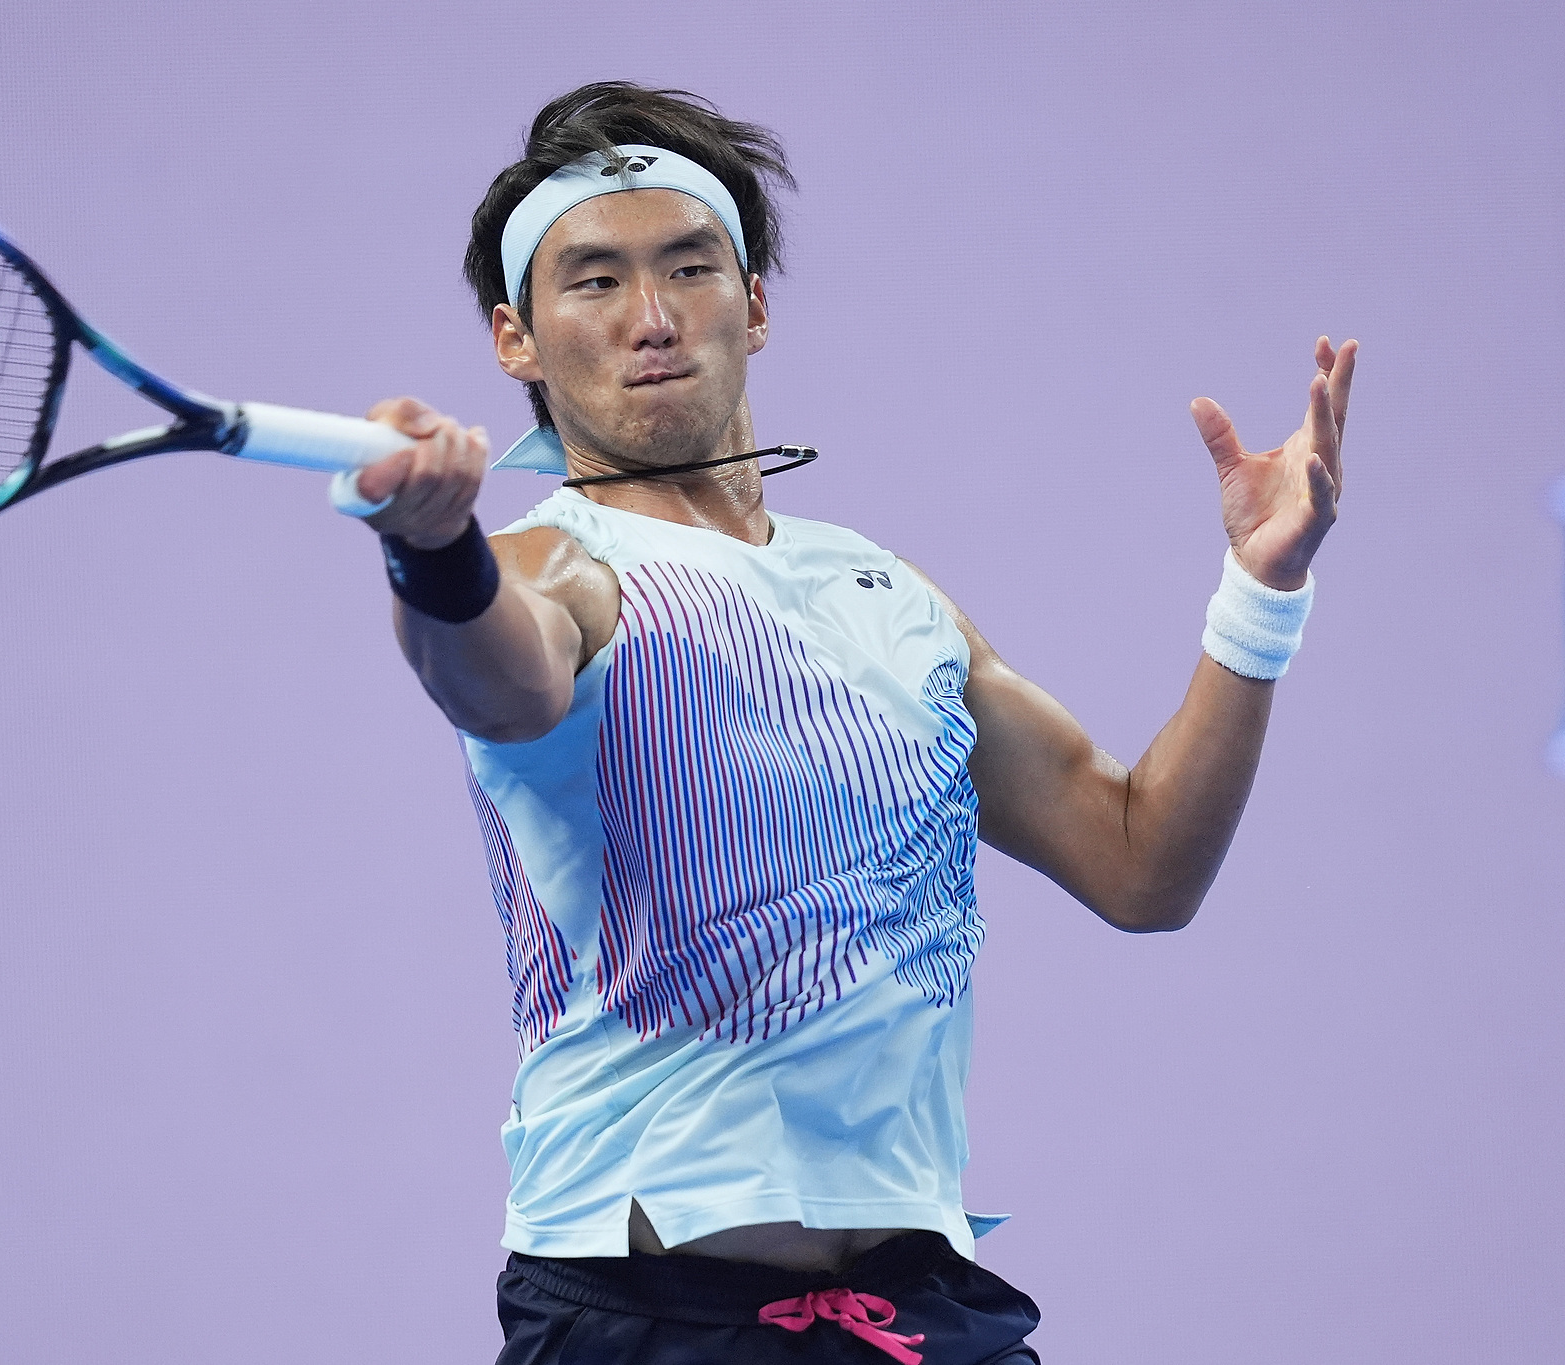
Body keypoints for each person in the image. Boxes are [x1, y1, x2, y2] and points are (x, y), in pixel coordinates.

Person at [339, 82, 1357, 1364]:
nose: (651, 319)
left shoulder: (888, 594)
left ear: (752, 304)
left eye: (689, 267)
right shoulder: (552, 567)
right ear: (515, 339)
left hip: (919, 1310)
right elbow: (496, 677)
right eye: (592, 281)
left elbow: (1139, 861)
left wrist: (1259, 592)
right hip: (645, 1320)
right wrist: (431, 552)